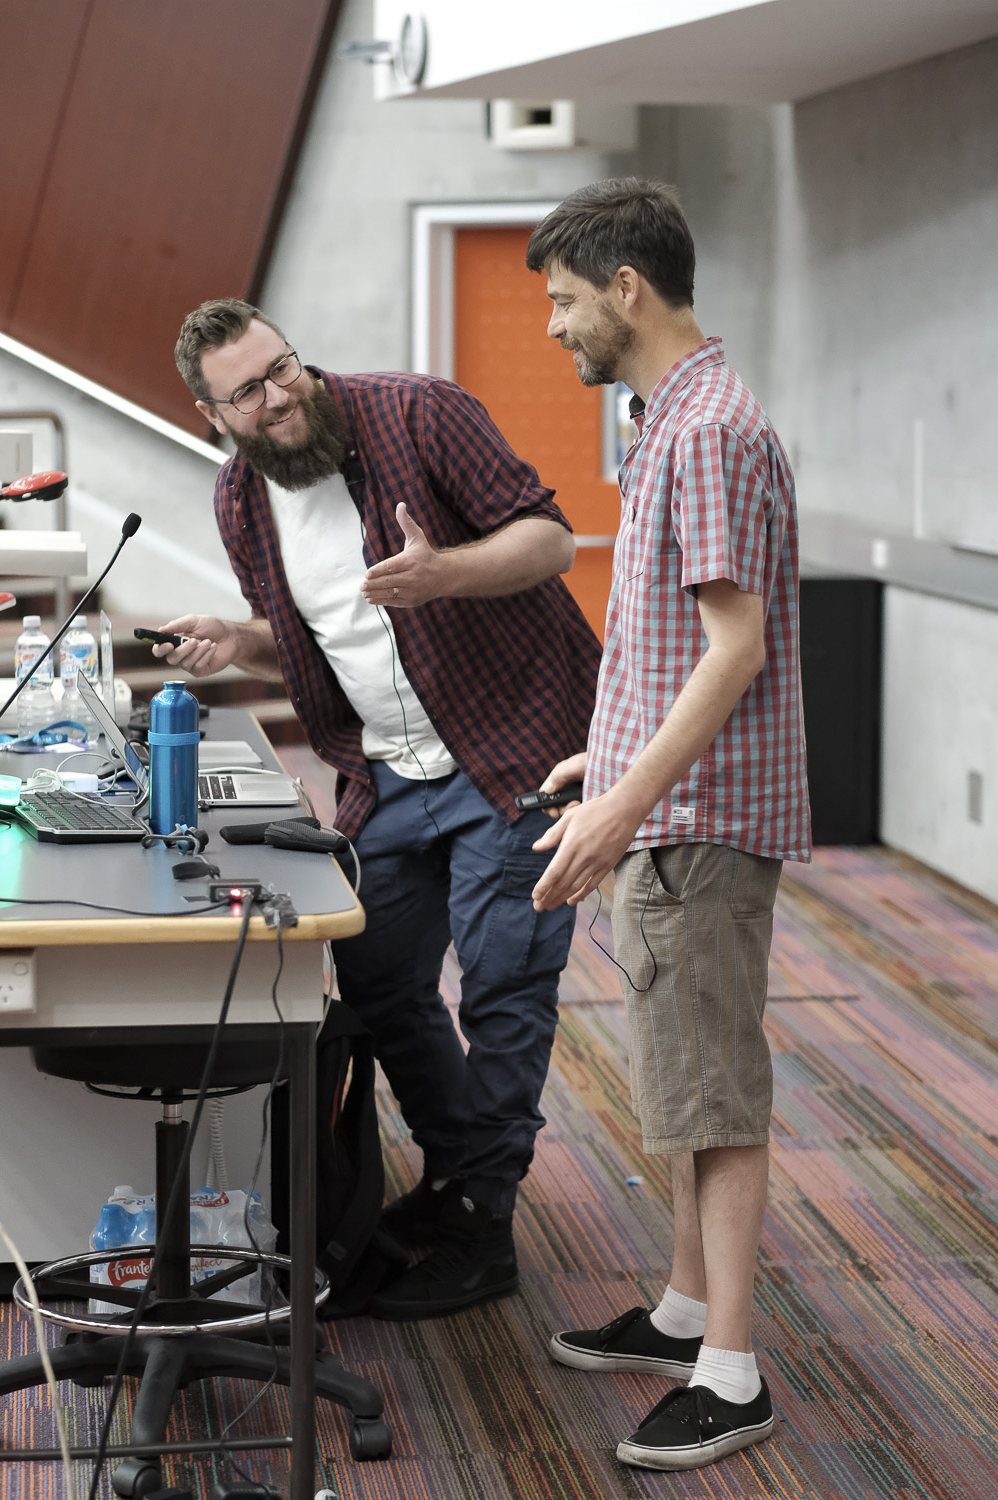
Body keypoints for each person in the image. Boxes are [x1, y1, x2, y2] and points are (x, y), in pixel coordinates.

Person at [160, 298, 602, 1319]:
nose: (279, 397)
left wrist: (446, 572)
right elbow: (306, 635)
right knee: (372, 975)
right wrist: (238, 638)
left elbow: (550, 541)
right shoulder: (241, 500)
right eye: (248, 393)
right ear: (211, 416)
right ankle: (457, 1177)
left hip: (515, 749)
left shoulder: (416, 413)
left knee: (502, 986)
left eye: (282, 368)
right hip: (389, 773)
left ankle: (482, 1225)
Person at [525, 180, 810, 1471]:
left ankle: (732, 1372)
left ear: (626, 288)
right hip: (668, 801)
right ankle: (687, 1307)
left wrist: (618, 807)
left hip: (695, 820)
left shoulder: (708, 432)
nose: (553, 326)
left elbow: (735, 648)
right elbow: (674, 638)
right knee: (684, 1083)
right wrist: (608, 751)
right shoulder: (672, 420)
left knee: (717, 1093)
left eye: (564, 299)